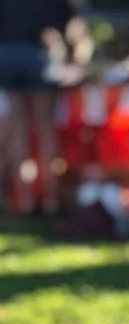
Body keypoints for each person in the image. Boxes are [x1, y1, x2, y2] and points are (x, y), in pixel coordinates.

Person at [0, 0, 77, 213]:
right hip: (38, 54)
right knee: (45, 127)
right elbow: (68, 25)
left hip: (6, 54)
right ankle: (50, 200)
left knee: (18, 128)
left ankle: (24, 199)